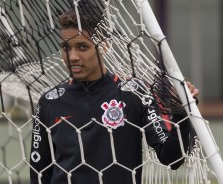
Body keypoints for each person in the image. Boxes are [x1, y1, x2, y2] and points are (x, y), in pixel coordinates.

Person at [29, 7, 200, 184]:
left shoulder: (134, 92)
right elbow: (39, 174)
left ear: (104, 45)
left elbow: (171, 159)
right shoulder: (50, 101)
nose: (72, 56)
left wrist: (181, 114)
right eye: (66, 48)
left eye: (82, 47)